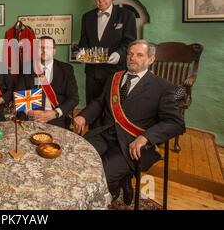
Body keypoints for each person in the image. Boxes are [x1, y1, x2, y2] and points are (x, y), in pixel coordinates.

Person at [74, 40, 185, 205]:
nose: (133, 58)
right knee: (77, 159)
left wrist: (145, 138)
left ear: (150, 60)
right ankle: (118, 181)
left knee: (102, 175)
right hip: (104, 133)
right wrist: (84, 116)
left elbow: (176, 123)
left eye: (139, 55)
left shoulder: (163, 87)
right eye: (130, 54)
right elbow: (100, 102)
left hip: (130, 143)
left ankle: (103, 200)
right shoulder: (114, 77)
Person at [79, 0, 137, 104]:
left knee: (113, 106)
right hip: (92, 72)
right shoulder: (87, 17)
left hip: (115, 72)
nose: (101, 0)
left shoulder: (127, 15)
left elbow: (130, 42)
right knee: (92, 106)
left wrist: (119, 54)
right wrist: (82, 53)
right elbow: (83, 41)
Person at [16, 36, 79, 129]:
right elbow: (19, 93)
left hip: (55, 116)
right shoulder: (27, 67)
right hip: (30, 115)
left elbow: (74, 98)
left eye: (48, 48)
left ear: (54, 51)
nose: (44, 51)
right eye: (41, 48)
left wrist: (55, 113)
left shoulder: (66, 69)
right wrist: (29, 112)